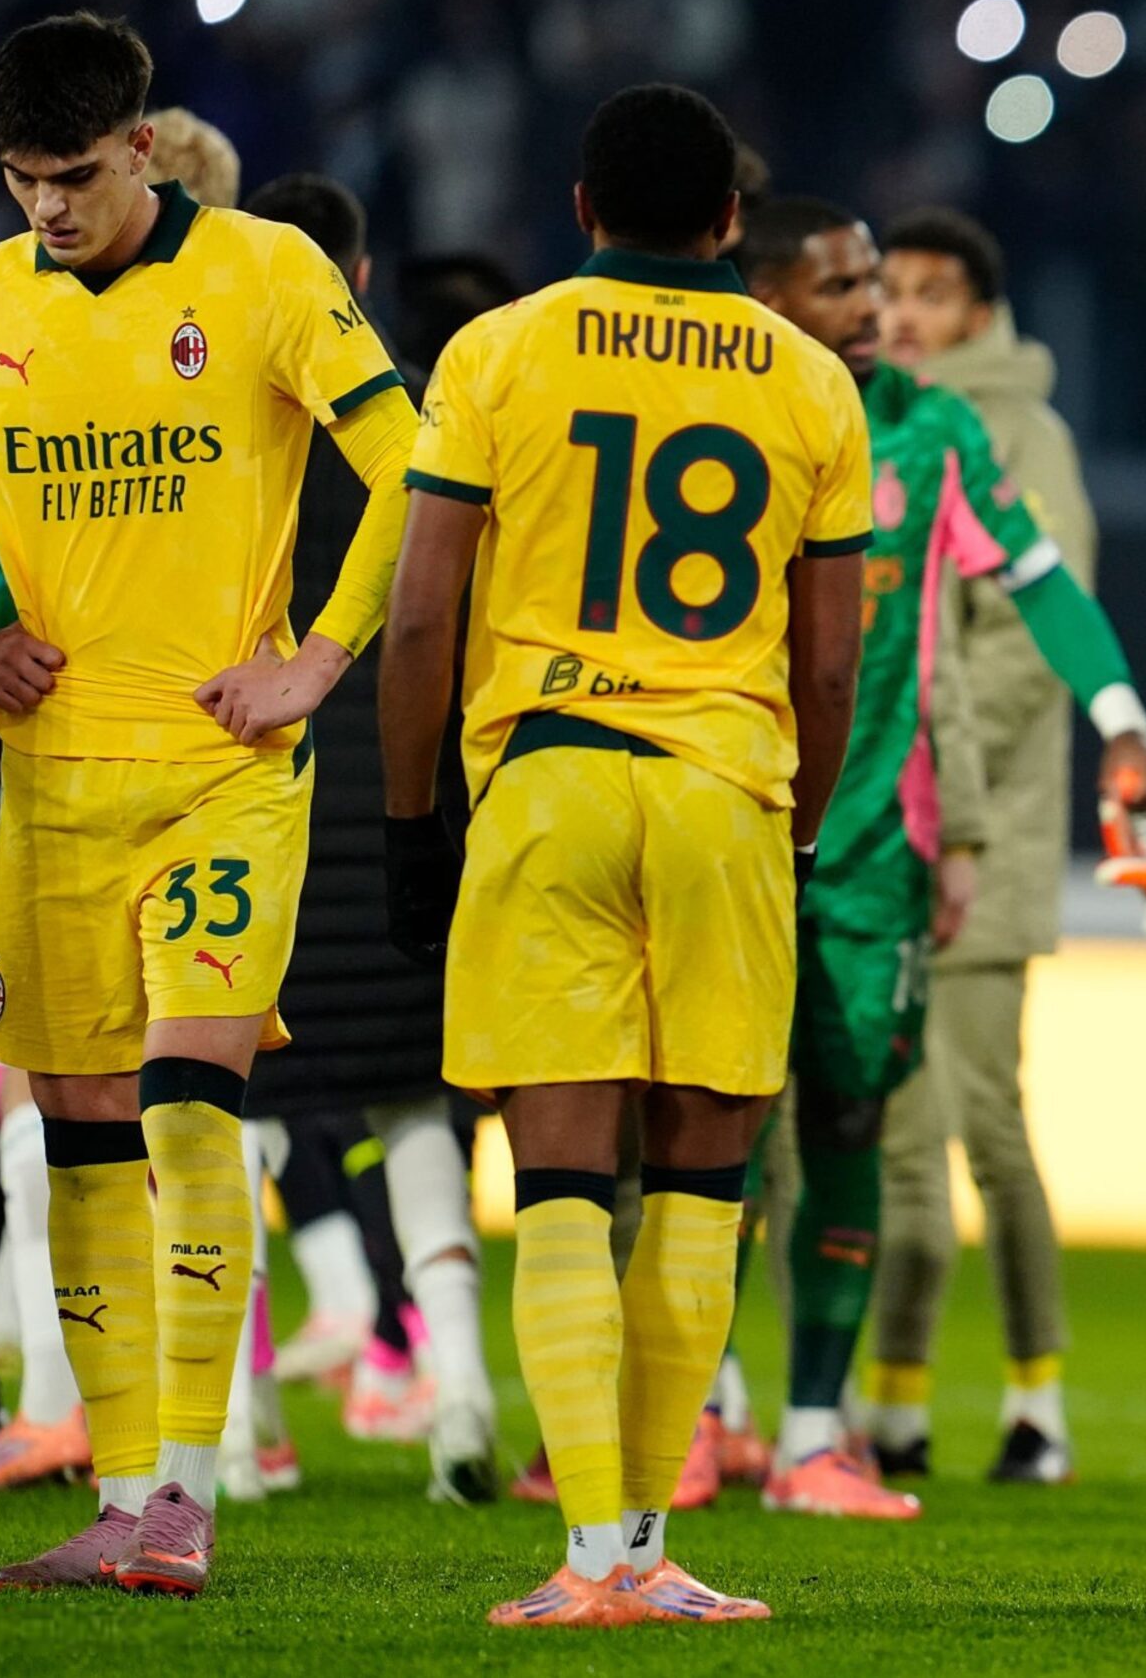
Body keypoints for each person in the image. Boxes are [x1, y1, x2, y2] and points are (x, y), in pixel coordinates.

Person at [378, 83, 869, 1628]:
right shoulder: (811, 383)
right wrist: (789, 822)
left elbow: (419, 616)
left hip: (549, 780)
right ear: (733, 218)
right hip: (724, 787)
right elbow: (834, 659)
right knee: (709, 1186)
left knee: (569, 1183)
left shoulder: (499, 348)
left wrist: (408, 824)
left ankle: (590, 1555)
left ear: (579, 212)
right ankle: (651, 1549)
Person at [0, 12, 416, 1595]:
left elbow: (416, 466)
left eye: (72, 175)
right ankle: (125, 1486)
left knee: (181, 1098)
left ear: (141, 145)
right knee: (76, 1127)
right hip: (54, 784)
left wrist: (323, 659)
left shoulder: (271, 273)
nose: (47, 210)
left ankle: (189, 1498)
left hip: (224, 769)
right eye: (20, 181)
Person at [745, 197, 1146, 1506]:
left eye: (880, 281)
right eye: (844, 285)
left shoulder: (935, 435)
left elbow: (1042, 580)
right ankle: (688, 1417)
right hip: (726, 824)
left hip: (877, 846)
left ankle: (815, 1431)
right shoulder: (709, 413)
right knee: (703, 1140)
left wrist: (1122, 718)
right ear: (764, 299)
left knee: (852, 1126)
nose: (875, 306)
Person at [240, 169, 499, 1504]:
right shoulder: (434, 425)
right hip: (406, 805)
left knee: (219, 1123)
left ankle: (238, 1438)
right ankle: (458, 1391)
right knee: (418, 1121)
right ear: (361, 273)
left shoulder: (217, 415)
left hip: (254, 799)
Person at [864, 205, 1118, 1481]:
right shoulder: (870, 416)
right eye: (888, 286)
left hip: (984, 832)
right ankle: (892, 1404)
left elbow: (1033, 636)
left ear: (979, 311)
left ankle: (1037, 1400)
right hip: (876, 824)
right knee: (887, 1129)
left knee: (983, 1122)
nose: (902, 310)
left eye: (930, 291)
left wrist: (912, 723)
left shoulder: (1018, 432)